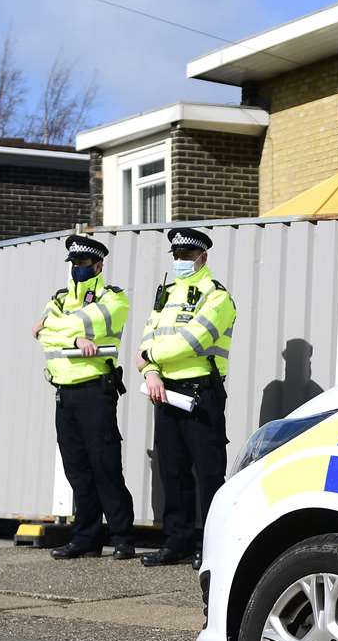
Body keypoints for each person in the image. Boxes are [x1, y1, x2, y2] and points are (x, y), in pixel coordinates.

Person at [137, 227, 237, 567]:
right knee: (172, 471)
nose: (181, 261)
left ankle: (212, 546)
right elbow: (147, 334)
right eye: (177, 256)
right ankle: (176, 542)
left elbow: (193, 341)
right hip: (165, 391)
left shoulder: (216, 296)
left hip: (201, 392)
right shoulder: (165, 294)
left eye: (187, 256)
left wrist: (149, 356)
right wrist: (149, 371)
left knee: (208, 473)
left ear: (203, 258)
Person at [33, 234, 136, 560]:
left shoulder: (113, 298)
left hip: (95, 391)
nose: (78, 269)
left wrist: (59, 328)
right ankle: (86, 539)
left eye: (83, 264)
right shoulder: (60, 299)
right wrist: (76, 337)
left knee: (105, 466)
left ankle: (122, 537)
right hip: (65, 394)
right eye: (74, 263)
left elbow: (53, 328)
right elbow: (43, 338)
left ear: (98, 265)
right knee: (77, 470)